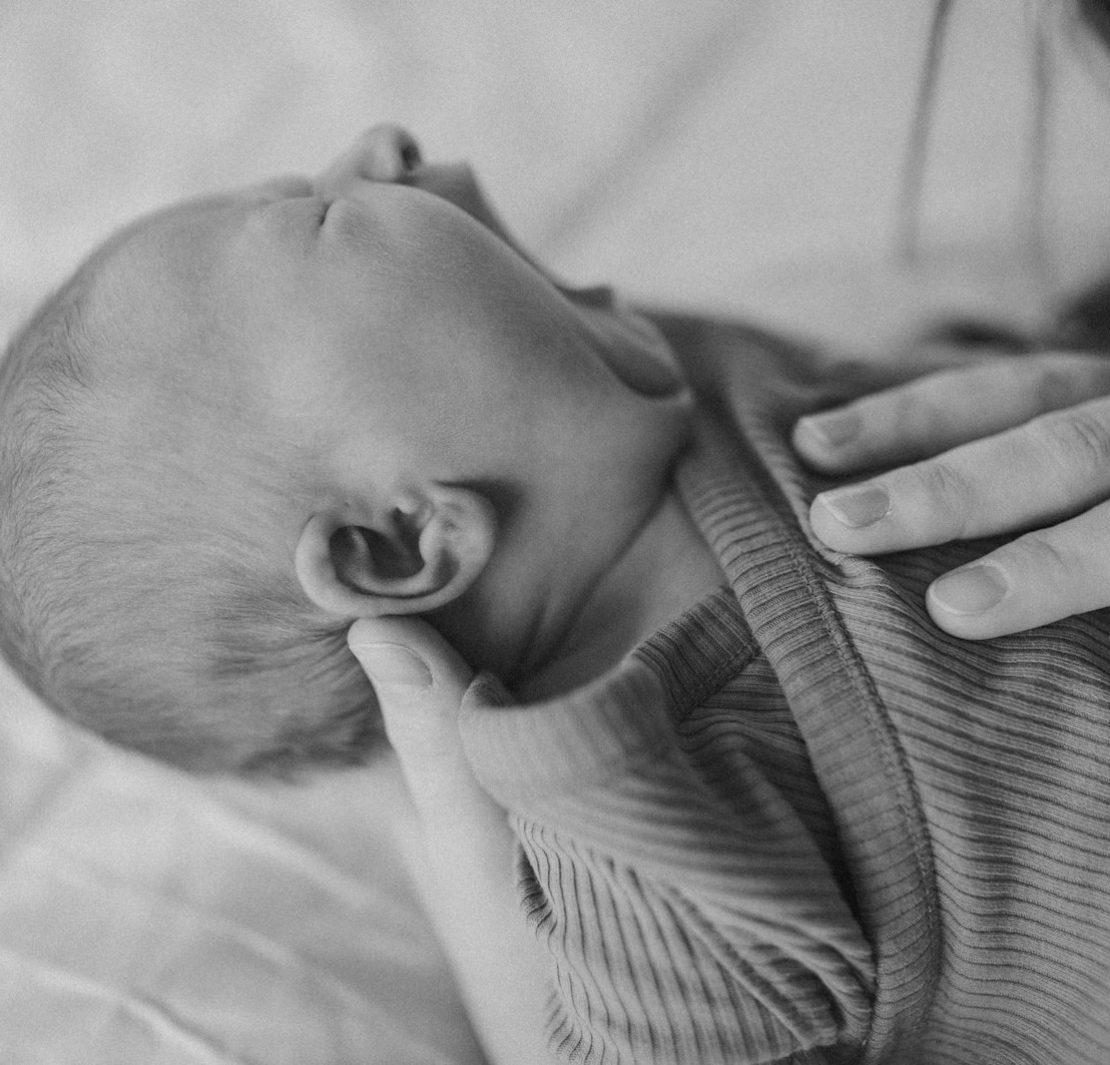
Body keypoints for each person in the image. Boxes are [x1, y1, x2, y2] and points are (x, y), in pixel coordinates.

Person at [1, 125, 1109, 1064]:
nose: (380, 144)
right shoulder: (637, 811)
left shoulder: (673, 392)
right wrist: (444, 796)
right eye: (316, 217)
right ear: (404, 539)